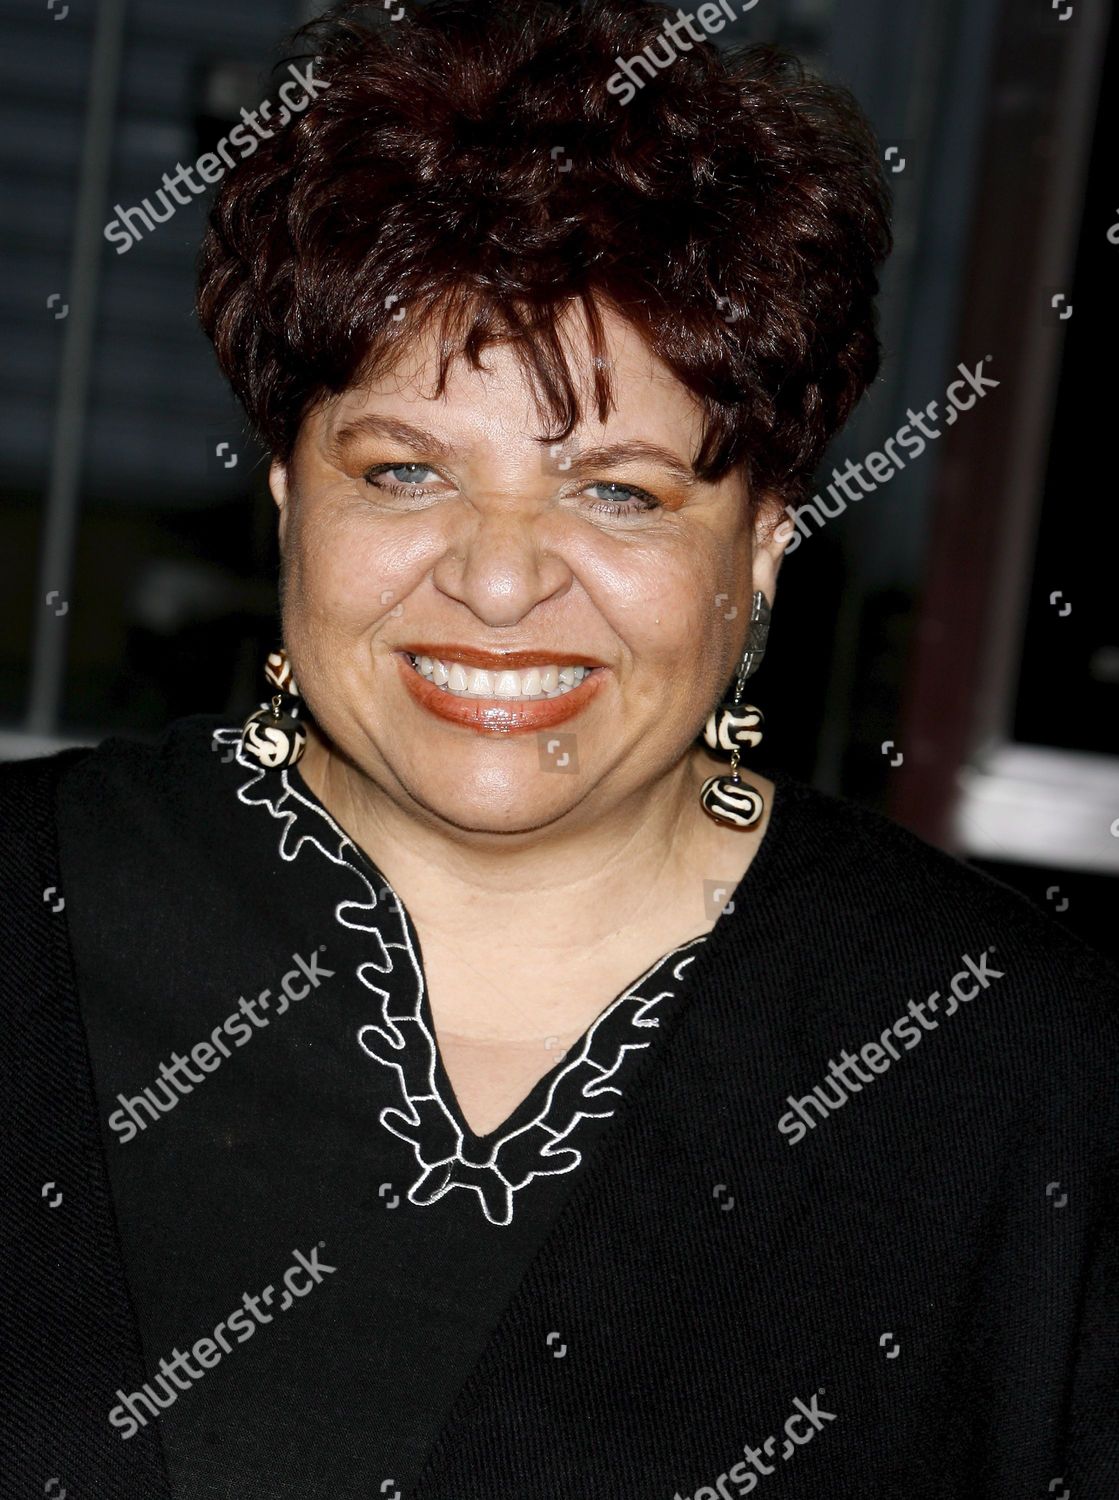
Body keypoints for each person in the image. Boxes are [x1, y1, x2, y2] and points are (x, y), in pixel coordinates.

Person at [2, 1, 1116, 1496]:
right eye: (405, 473)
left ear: (764, 542)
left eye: (619, 493)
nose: (500, 579)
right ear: (286, 495)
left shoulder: (1016, 1064)